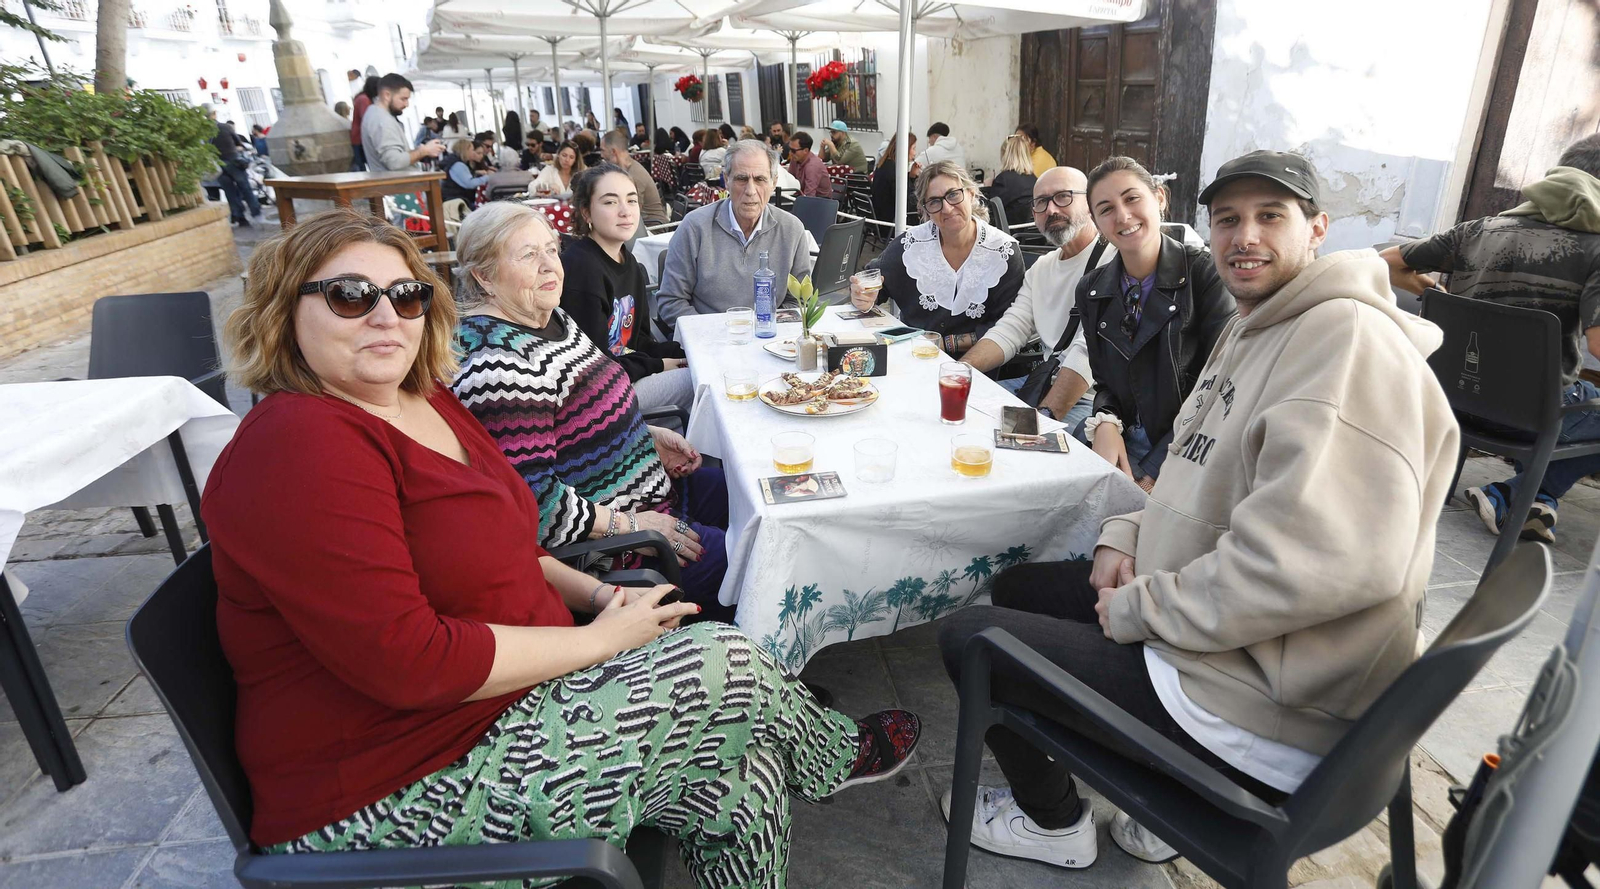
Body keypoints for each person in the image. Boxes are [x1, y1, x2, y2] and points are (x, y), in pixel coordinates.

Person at [208, 207, 921, 885]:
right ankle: (829, 755)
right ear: (282, 309)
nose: (387, 314)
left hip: (508, 707)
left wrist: (600, 594)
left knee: (744, 775)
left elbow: (515, 541)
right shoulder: (299, 441)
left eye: (407, 293)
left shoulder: (422, 399)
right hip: (397, 792)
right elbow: (409, 661)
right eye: (350, 295)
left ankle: (798, 756)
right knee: (725, 655)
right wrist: (606, 639)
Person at [937, 148, 1458, 870]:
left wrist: (1144, 606)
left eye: (1270, 216)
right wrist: (1126, 532)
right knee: (1023, 583)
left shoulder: (1345, 344)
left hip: (1265, 707)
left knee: (971, 638)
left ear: (1318, 230)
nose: (1246, 236)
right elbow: (1192, 459)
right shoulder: (1258, 323)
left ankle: (1061, 820)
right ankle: (1151, 798)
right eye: (1229, 219)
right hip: (1223, 641)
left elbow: (1313, 567)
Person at [451, 202, 731, 617]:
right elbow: (536, 506)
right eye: (529, 255)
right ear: (484, 276)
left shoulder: (552, 317)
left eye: (551, 249)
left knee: (764, 501)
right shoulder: (499, 368)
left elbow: (576, 420)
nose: (550, 266)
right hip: (620, 550)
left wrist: (643, 438)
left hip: (658, 494)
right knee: (753, 556)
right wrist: (640, 527)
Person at [1381, 134, 1600, 545]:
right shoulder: (1595, 249)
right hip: (1531, 418)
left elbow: (1384, 263)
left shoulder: (1478, 229)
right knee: (1587, 400)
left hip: (1455, 396)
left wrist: (1433, 294)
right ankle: (1514, 495)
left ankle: (1537, 499)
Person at [1076, 156, 1234, 489]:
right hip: (1121, 437)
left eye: (1132, 198)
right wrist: (1106, 422)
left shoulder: (1206, 275)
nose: (1122, 216)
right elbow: (1104, 381)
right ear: (1096, 222)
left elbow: (1218, 385)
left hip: (1188, 445)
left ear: (1159, 198)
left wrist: (1156, 464)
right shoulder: (1092, 289)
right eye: (1106, 209)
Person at [963, 166, 1111, 428]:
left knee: (1001, 439)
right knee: (964, 409)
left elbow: (1088, 352)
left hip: (1093, 400)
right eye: (1041, 202)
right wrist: (961, 371)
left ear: (1089, 203)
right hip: (1041, 382)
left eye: (1063, 196)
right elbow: (1011, 330)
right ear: (1033, 213)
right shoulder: (1042, 268)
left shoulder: (1114, 260)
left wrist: (1040, 422)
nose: (1051, 209)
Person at [850, 160, 1022, 358]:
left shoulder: (1003, 252)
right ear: (925, 210)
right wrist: (862, 295)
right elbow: (872, 280)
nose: (947, 208)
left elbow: (1007, 326)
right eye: (934, 201)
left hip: (978, 368)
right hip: (913, 360)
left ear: (971, 194)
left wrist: (944, 344)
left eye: (953, 195)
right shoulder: (911, 245)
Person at [561, 164, 691, 416]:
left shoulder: (627, 260)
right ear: (586, 212)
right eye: (610, 202)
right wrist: (658, 365)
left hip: (628, 369)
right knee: (697, 382)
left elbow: (637, 339)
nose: (625, 211)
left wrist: (686, 353)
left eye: (631, 201)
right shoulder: (581, 268)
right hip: (599, 393)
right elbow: (593, 366)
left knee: (704, 365)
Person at [657, 140, 815, 325]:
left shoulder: (792, 229)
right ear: (727, 180)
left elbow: (799, 301)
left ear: (773, 183)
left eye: (760, 179)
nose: (750, 190)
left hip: (769, 340)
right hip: (710, 341)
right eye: (741, 179)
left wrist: (764, 330)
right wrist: (717, 336)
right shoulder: (694, 227)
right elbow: (671, 301)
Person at [361, 74, 444, 173]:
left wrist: (421, 150)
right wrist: (424, 151)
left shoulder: (375, 114)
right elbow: (394, 162)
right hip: (397, 186)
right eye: (403, 99)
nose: (406, 104)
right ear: (387, 95)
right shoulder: (382, 120)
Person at [599, 129, 670, 227]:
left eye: (603, 150)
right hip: (644, 224)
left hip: (652, 228)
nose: (601, 155)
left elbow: (633, 213)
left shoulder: (634, 175)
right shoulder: (627, 170)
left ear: (614, 152)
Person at [206, 105, 261, 227]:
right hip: (233, 162)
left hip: (218, 165)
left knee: (229, 192)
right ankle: (255, 212)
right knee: (245, 188)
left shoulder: (204, 132)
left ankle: (239, 216)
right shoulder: (225, 127)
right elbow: (238, 143)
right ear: (214, 113)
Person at [982, 134, 1037, 226]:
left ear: (1005, 155)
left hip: (1009, 233)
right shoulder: (1034, 179)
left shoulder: (1004, 180)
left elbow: (989, 212)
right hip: (1032, 235)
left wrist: (988, 188)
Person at [870, 132, 916, 223]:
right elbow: (905, 202)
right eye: (914, 148)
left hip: (880, 218)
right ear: (905, 148)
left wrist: (911, 176)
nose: (915, 153)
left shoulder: (884, 163)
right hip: (892, 223)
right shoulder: (896, 170)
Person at [439, 139, 488, 211]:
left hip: (453, 198)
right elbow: (469, 184)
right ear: (466, 150)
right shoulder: (458, 165)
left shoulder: (454, 162)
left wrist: (476, 172)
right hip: (459, 200)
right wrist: (488, 178)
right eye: (472, 150)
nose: (473, 153)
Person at [786, 131, 831, 199]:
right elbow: (789, 181)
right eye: (789, 149)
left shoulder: (812, 166)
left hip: (821, 202)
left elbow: (810, 195)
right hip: (803, 197)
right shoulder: (795, 158)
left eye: (793, 150)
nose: (790, 153)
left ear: (806, 151)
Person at [348, 75, 377, 172]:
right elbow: (367, 118)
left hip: (361, 138)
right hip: (360, 139)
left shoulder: (364, 98)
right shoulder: (364, 99)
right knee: (362, 169)